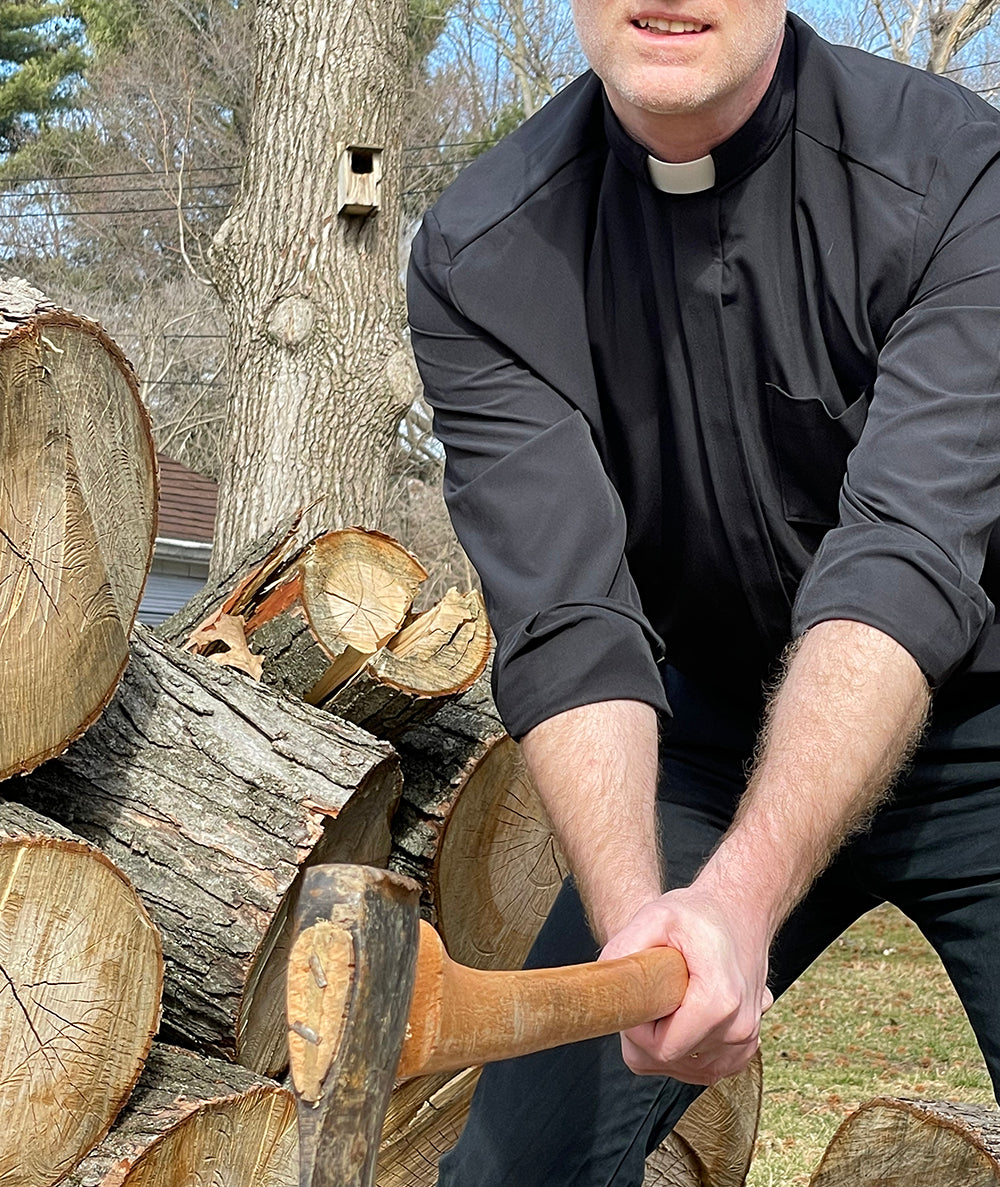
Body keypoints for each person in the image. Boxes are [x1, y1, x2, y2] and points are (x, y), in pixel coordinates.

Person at [406, 3, 1000, 1184]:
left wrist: (739, 894)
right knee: (511, 1175)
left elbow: (902, 559)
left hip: (983, 727)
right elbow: (570, 624)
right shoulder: (482, 254)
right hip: (712, 735)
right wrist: (649, 920)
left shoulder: (958, 177)